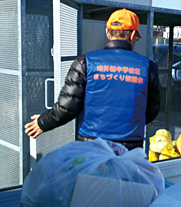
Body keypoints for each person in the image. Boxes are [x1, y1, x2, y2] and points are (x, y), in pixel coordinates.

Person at [24, 8, 160, 150]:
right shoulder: (147, 67)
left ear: (107, 32)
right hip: (130, 147)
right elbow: (151, 110)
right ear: (133, 35)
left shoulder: (85, 62)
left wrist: (43, 122)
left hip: (90, 146)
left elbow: (68, 106)